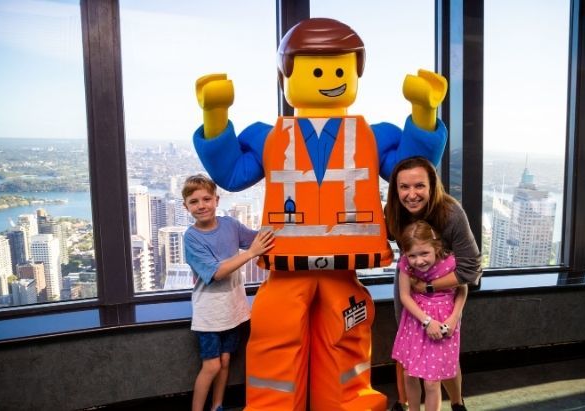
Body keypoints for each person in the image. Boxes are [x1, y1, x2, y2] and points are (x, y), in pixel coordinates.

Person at [192, 18, 448, 411]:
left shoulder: (373, 135)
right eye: (316, 69)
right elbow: (232, 173)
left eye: (340, 69)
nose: (330, 78)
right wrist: (215, 116)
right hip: (285, 271)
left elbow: (409, 167)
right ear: (287, 77)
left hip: (343, 271)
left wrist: (424, 112)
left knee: (346, 339)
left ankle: (349, 402)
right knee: (276, 337)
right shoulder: (268, 135)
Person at [385, 156, 482, 411]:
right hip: (410, 290)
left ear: (432, 186)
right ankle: (404, 401)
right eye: (404, 187)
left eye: (419, 186)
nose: (411, 194)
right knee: (408, 348)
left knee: (443, 357)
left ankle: (458, 402)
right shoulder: (394, 211)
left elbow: (471, 271)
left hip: (443, 293)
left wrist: (429, 287)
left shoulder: (451, 214)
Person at [182, 174, 274, 411]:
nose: (201, 205)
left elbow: (257, 239)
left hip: (233, 309)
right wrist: (251, 253)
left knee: (225, 362)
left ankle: (217, 406)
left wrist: (283, 222)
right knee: (211, 366)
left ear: (216, 200)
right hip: (210, 313)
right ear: (186, 206)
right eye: (194, 201)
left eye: (206, 199)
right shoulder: (191, 237)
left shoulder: (230, 225)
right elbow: (216, 272)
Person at [393, 220, 468, 411]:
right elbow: (404, 295)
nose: (419, 261)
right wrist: (426, 321)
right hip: (416, 322)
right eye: (412, 256)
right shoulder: (405, 264)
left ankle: (456, 402)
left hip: (444, 320)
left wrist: (453, 319)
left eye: (424, 253)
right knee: (409, 374)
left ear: (436, 247)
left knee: (432, 382)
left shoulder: (451, 262)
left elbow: (462, 290)